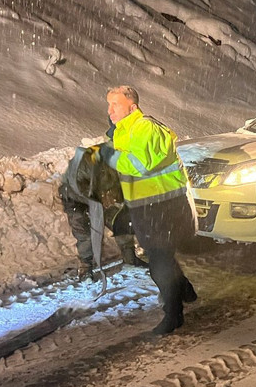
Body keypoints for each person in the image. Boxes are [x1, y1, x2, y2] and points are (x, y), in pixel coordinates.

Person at [98, 85, 197, 335]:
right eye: (108, 104)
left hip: (163, 206)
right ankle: (184, 289)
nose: (109, 110)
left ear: (132, 106)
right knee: (158, 254)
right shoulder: (126, 130)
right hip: (147, 205)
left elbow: (139, 165)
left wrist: (108, 154)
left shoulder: (144, 128)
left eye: (115, 105)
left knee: (158, 262)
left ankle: (173, 314)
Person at [60, 145, 147, 281]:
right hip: (74, 195)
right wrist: (101, 199)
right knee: (84, 232)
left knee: (120, 219)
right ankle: (86, 268)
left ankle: (130, 258)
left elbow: (119, 187)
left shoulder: (120, 160)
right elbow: (81, 181)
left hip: (97, 193)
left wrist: (118, 201)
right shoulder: (96, 159)